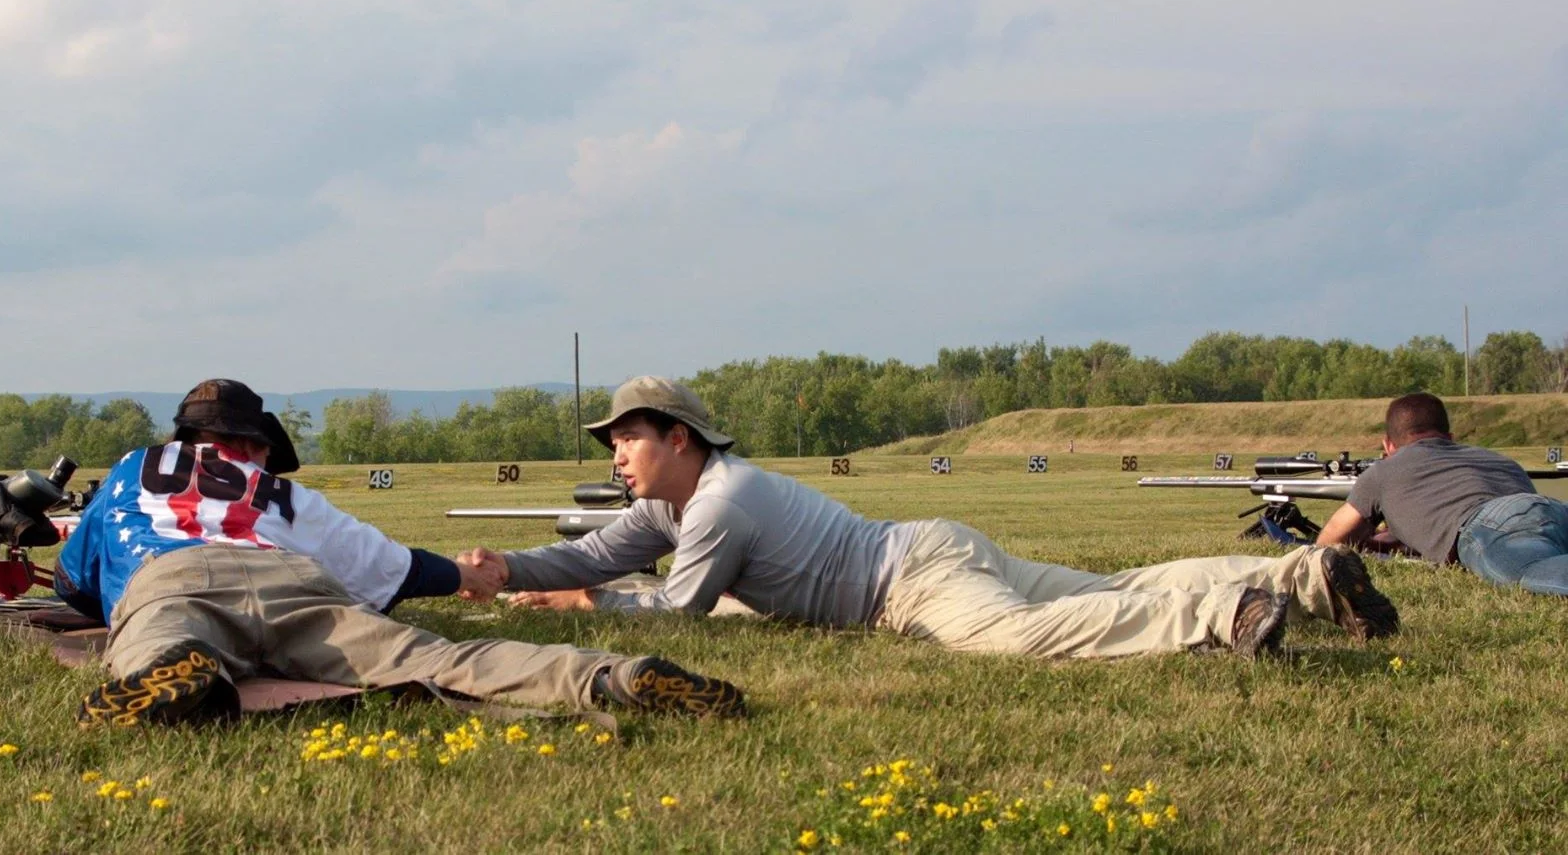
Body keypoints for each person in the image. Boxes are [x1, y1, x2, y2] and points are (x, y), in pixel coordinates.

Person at [460, 376, 1399, 660]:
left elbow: (676, 614)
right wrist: (506, 567)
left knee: (1025, 638)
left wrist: (591, 607)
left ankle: (1219, 615)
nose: (613, 456)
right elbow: (588, 550)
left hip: (909, 582)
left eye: (624, 439)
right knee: (1110, 587)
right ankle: (1302, 575)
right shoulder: (679, 506)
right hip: (927, 543)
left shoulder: (719, 504)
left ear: (677, 436)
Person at [54, 378, 745, 727]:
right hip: (292, 577)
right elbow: (387, 564)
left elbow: (71, 584)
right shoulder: (279, 493)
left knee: (160, 640)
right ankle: (609, 676)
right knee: (441, 659)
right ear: (253, 446)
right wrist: (465, 575)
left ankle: (177, 666)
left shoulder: (131, 467)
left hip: (170, 577)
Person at [1316, 392, 1568, 595]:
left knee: (1528, 574)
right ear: (1449, 438)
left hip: (1485, 522)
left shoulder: (1383, 470)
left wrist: (1368, 539)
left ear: (1388, 445)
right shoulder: (1499, 459)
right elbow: (1528, 522)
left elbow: (1328, 541)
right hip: (1550, 508)